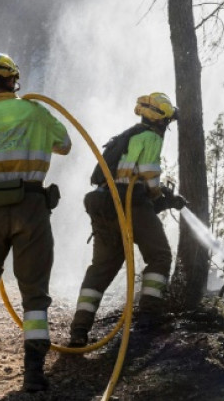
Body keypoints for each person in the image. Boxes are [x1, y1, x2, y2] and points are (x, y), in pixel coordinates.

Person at [0, 51, 71, 392]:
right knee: (35, 294)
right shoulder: (36, 111)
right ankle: (34, 373)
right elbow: (64, 144)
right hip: (33, 206)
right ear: (13, 80)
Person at [67, 92, 185, 348]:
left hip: (102, 202)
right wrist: (162, 195)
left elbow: (125, 174)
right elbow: (148, 177)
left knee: (102, 268)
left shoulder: (127, 135)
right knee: (160, 256)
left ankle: (79, 329)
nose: (167, 127)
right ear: (161, 120)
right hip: (128, 203)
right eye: (168, 121)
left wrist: (160, 198)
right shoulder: (151, 136)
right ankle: (148, 319)